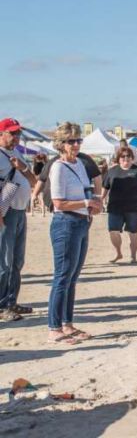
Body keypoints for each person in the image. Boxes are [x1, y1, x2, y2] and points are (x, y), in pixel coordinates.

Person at [47, 122, 102, 344]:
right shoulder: (58, 167)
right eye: (71, 141)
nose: (76, 144)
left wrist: (92, 203)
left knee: (72, 277)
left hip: (81, 221)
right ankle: (53, 327)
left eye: (78, 140)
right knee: (62, 276)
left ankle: (67, 323)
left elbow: (87, 188)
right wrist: (86, 201)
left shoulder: (79, 163)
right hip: (65, 223)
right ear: (61, 144)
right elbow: (58, 203)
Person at [0, 118, 37, 322]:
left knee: (17, 261)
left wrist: (23, 167)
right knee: (4, 261)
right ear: (1, 134)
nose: (16, 137)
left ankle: (11, 300)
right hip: (6, 213)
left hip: (20, 211)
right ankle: (2, 305)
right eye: (12, 133)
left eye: (18, 134)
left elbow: (33, 181)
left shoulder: (17, 153)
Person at [102, 147, 137, 264]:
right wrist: (100, 201)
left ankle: (133, 256)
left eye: (128, 156)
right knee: (113, 231)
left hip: (134, 207)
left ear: (132, 158)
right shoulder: (112, 171)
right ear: (118, 158)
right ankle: (118, 253)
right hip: (115, 207)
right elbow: (105, 188)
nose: (126, 158)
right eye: (123, 156)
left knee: (133, 231)